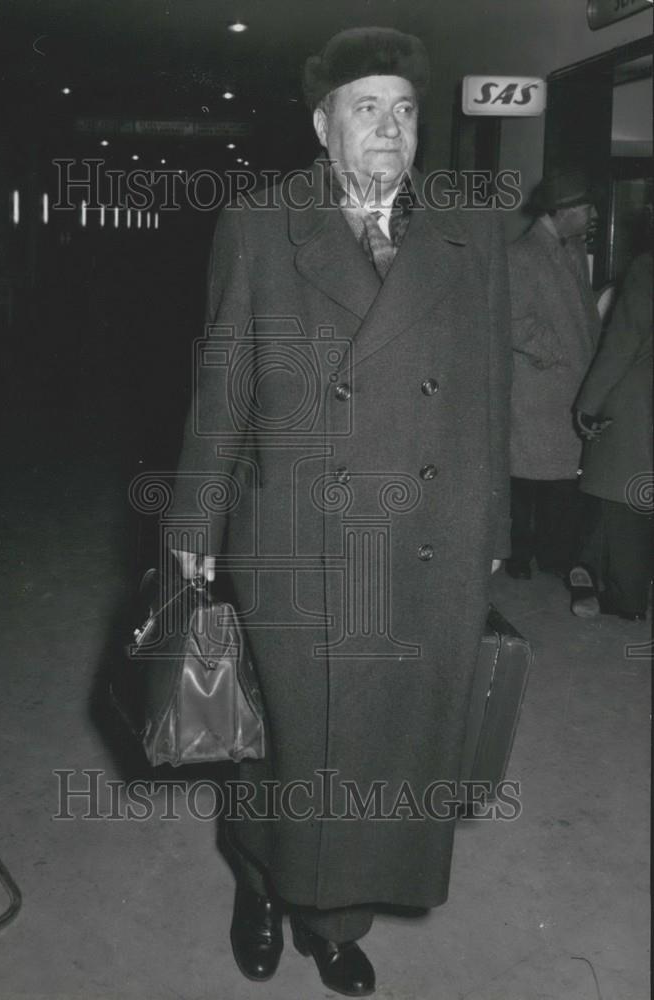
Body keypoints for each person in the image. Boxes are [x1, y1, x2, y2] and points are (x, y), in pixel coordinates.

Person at [167, 27, 511, 996]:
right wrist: (193, 533)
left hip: (428, 544)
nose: (390, 130)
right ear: (323, 124)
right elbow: (222, 387)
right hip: (302, 540)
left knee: (392, 751)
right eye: (368, 109)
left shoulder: (468, 229)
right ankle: (263, 881)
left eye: (404, 112)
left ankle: (336, 914)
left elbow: (482, 395)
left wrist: (495, 531)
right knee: (288, 741)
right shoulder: (261, 223)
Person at [506, 172, 601, 580]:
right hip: (538, 390)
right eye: (585, 208)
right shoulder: (521, 254)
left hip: (569, 385)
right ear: (559, 213)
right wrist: (559, 352)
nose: (593, 214)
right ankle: (517, 555)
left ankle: (549, 554)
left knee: (558, 478)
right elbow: (512, 320)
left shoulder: (574, 249)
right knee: (527, 479)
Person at [570, 250, 653, 621]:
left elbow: (623, 341)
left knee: (624, 496)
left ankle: (628, 598)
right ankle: (589, 566)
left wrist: (587, 402)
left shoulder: (647, 265)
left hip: (638, 397)